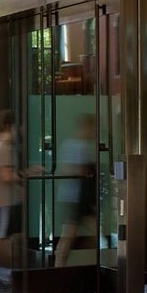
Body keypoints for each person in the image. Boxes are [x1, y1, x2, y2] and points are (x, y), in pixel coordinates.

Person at [0, 108, 37, 291]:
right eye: (17, 126)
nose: (20, 130)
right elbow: (5, 176)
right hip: (3, 200)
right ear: (9, 126)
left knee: (2, 238)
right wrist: (26, 174)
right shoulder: (4, 148)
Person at [55, 113, 97, 267]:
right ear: (86, 128)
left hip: (79, 198)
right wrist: (85, 170)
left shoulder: (80, 145)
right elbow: (65, 169)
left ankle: (100, 264)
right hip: (74, 197)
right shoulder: (74, 145)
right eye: (93, 129)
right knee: (69, 235)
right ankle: (59, 266)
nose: (94, 133)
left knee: (91, 230)